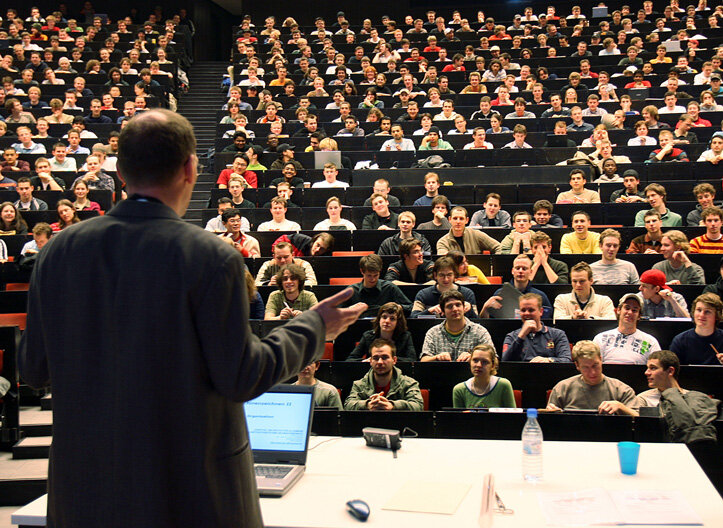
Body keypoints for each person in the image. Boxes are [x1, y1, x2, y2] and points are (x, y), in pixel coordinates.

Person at [18, 109, 366, 528]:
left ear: (122, 170)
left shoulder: (57, 252)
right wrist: (313, 327)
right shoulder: (210, 256)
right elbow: (241, 375)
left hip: (86, 493)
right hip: (189, 493)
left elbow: (33, 370)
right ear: (190, 168)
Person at [546, 341, 637, 412]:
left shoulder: (621, 389)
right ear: (577, 366)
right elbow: (549, 421)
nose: (592, 372)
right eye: (586, 368)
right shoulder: (562, 388)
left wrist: (620, 407)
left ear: (601, 360)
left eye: (595, 365)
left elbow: (638, 417)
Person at [344, 339, 424, 410]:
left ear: (394, 360)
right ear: (370, 361)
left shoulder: (409, 383)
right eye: (375, 358)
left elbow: (418, 406)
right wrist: (368, 404)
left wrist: (392, 405)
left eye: (385, 357)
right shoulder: (358, 385)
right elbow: (348, 405)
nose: (380, 362)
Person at [420, 290, 493, 362]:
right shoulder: (433, 332)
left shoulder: (480, 331)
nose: (454, 309)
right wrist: (437, 357)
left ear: (464, 308)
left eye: (458, 305)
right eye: (449, 306)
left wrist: (474, 357)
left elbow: (493, 359)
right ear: (443, 312)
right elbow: (423, 361)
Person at [502, 293, 572, 362]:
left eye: (531, 310)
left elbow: (566, 359)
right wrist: (521, 336)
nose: (526, 313)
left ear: (541, 311)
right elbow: (505, 361)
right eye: (523, 310)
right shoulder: (511, 336)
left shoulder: (557, 334)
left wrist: (548, 360)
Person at [593, 294, 661, 364]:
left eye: (634, 310)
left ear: (639, 316)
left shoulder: (651, 341)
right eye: (627, 308)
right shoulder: (601, 338)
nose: (630, 312)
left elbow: (657, 368)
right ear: (618, 310)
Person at [482, 254, 553, 318]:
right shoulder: (499, 294)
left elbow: (548, 321)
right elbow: (489, 321)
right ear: (513, 271)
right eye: (517, 268)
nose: (520, 271)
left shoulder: (540, 296)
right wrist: (485, 307)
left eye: (524, 268)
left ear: (531, 272)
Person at [342, 254, 412, 317]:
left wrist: (397, 307)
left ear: (380, 271)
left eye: (376, 275)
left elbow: (410, 307)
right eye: (369, 275)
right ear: (362, 271)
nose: (373, 279)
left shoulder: (389, 288)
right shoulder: (352, 291)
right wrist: (349, 309)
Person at [411, 256, 478, 318]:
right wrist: (429, 311)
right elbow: (413, 318)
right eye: (441, 275)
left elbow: (478, 321)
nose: (446, 279)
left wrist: (470, 310)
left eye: (449, 275)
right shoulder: (423, 294)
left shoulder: (467, 294)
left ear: (454, 274)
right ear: (435, 275)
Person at [347, 302, 416, 361]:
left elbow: (412, 360)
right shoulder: (368, 336)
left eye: (392, 319)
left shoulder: (405, 336)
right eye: (384, 317)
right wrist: (366, 361)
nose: (387, 321)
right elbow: (350, 359)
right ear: (379, 319)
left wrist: (389, 360)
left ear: (398, 322)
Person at [670, 293, 723, 365]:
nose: (701, 315)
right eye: (699, 310)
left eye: (707, 312)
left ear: (717, 316)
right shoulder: (680, 341)